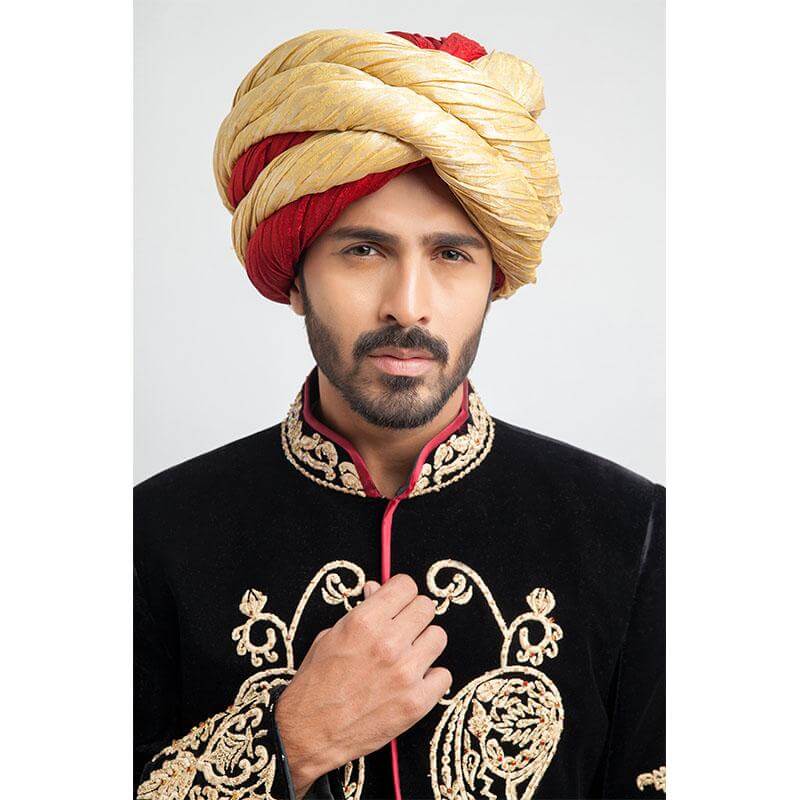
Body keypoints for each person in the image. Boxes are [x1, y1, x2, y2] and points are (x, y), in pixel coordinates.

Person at [134, 27, 665, 800]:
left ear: (494, 281)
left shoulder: (631, 532)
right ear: (293, 279)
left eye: (451, 255)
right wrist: (291, 739)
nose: (407, 305)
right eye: (363, 250)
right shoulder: (155, 533)